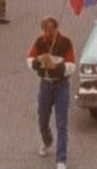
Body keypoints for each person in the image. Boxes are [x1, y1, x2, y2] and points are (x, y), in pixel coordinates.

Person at [26, 17, 76, 169]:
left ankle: (61, 159)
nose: (48, 34)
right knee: (43, 119)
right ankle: (47, 141)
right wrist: (38, 62)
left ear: (56, 29)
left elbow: (71, 65)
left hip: (61, 86)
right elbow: (30, 59)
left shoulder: (66, 43)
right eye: (45, 31)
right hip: (46, 85)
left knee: (62, 123)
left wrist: (57, 67)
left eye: (50, 30)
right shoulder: (40, 42)